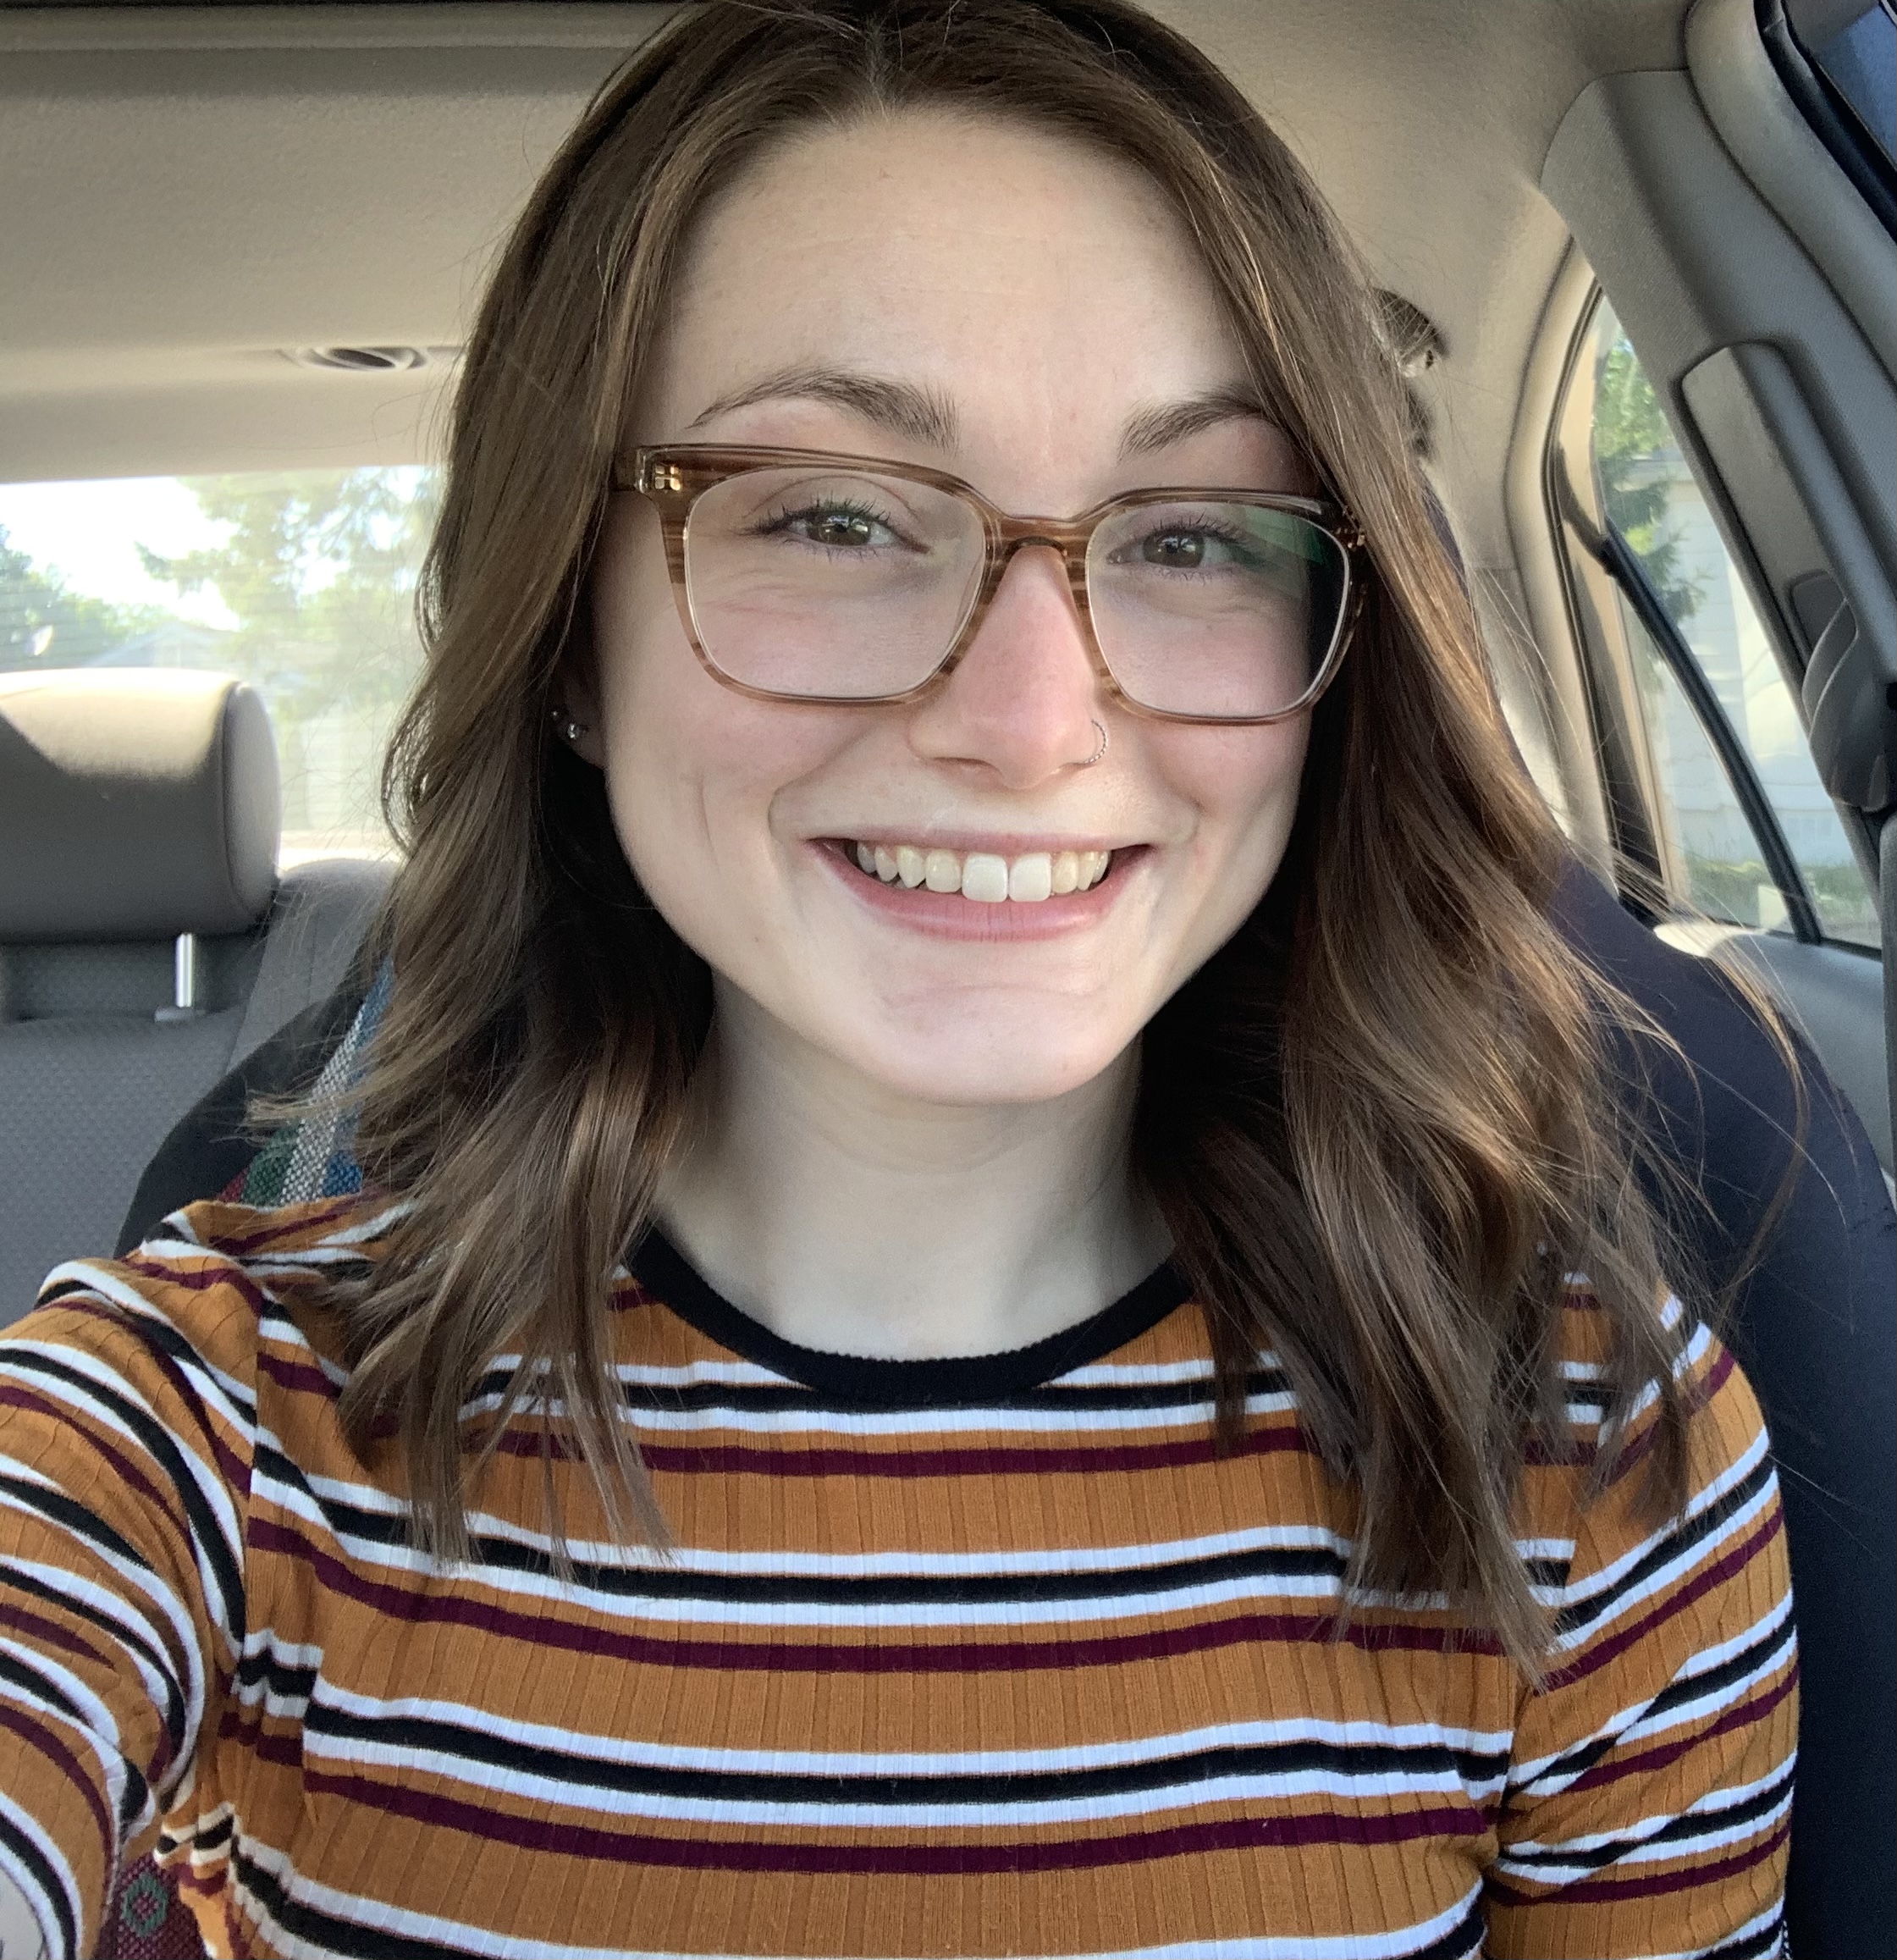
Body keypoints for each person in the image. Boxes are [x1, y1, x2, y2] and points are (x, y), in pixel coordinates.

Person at [0, 3, 1798, 1956]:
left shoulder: (1583, 1452)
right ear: (571, 640)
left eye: (1194, 535)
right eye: (834, 516)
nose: (1030, 723)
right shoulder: (209, 1426)